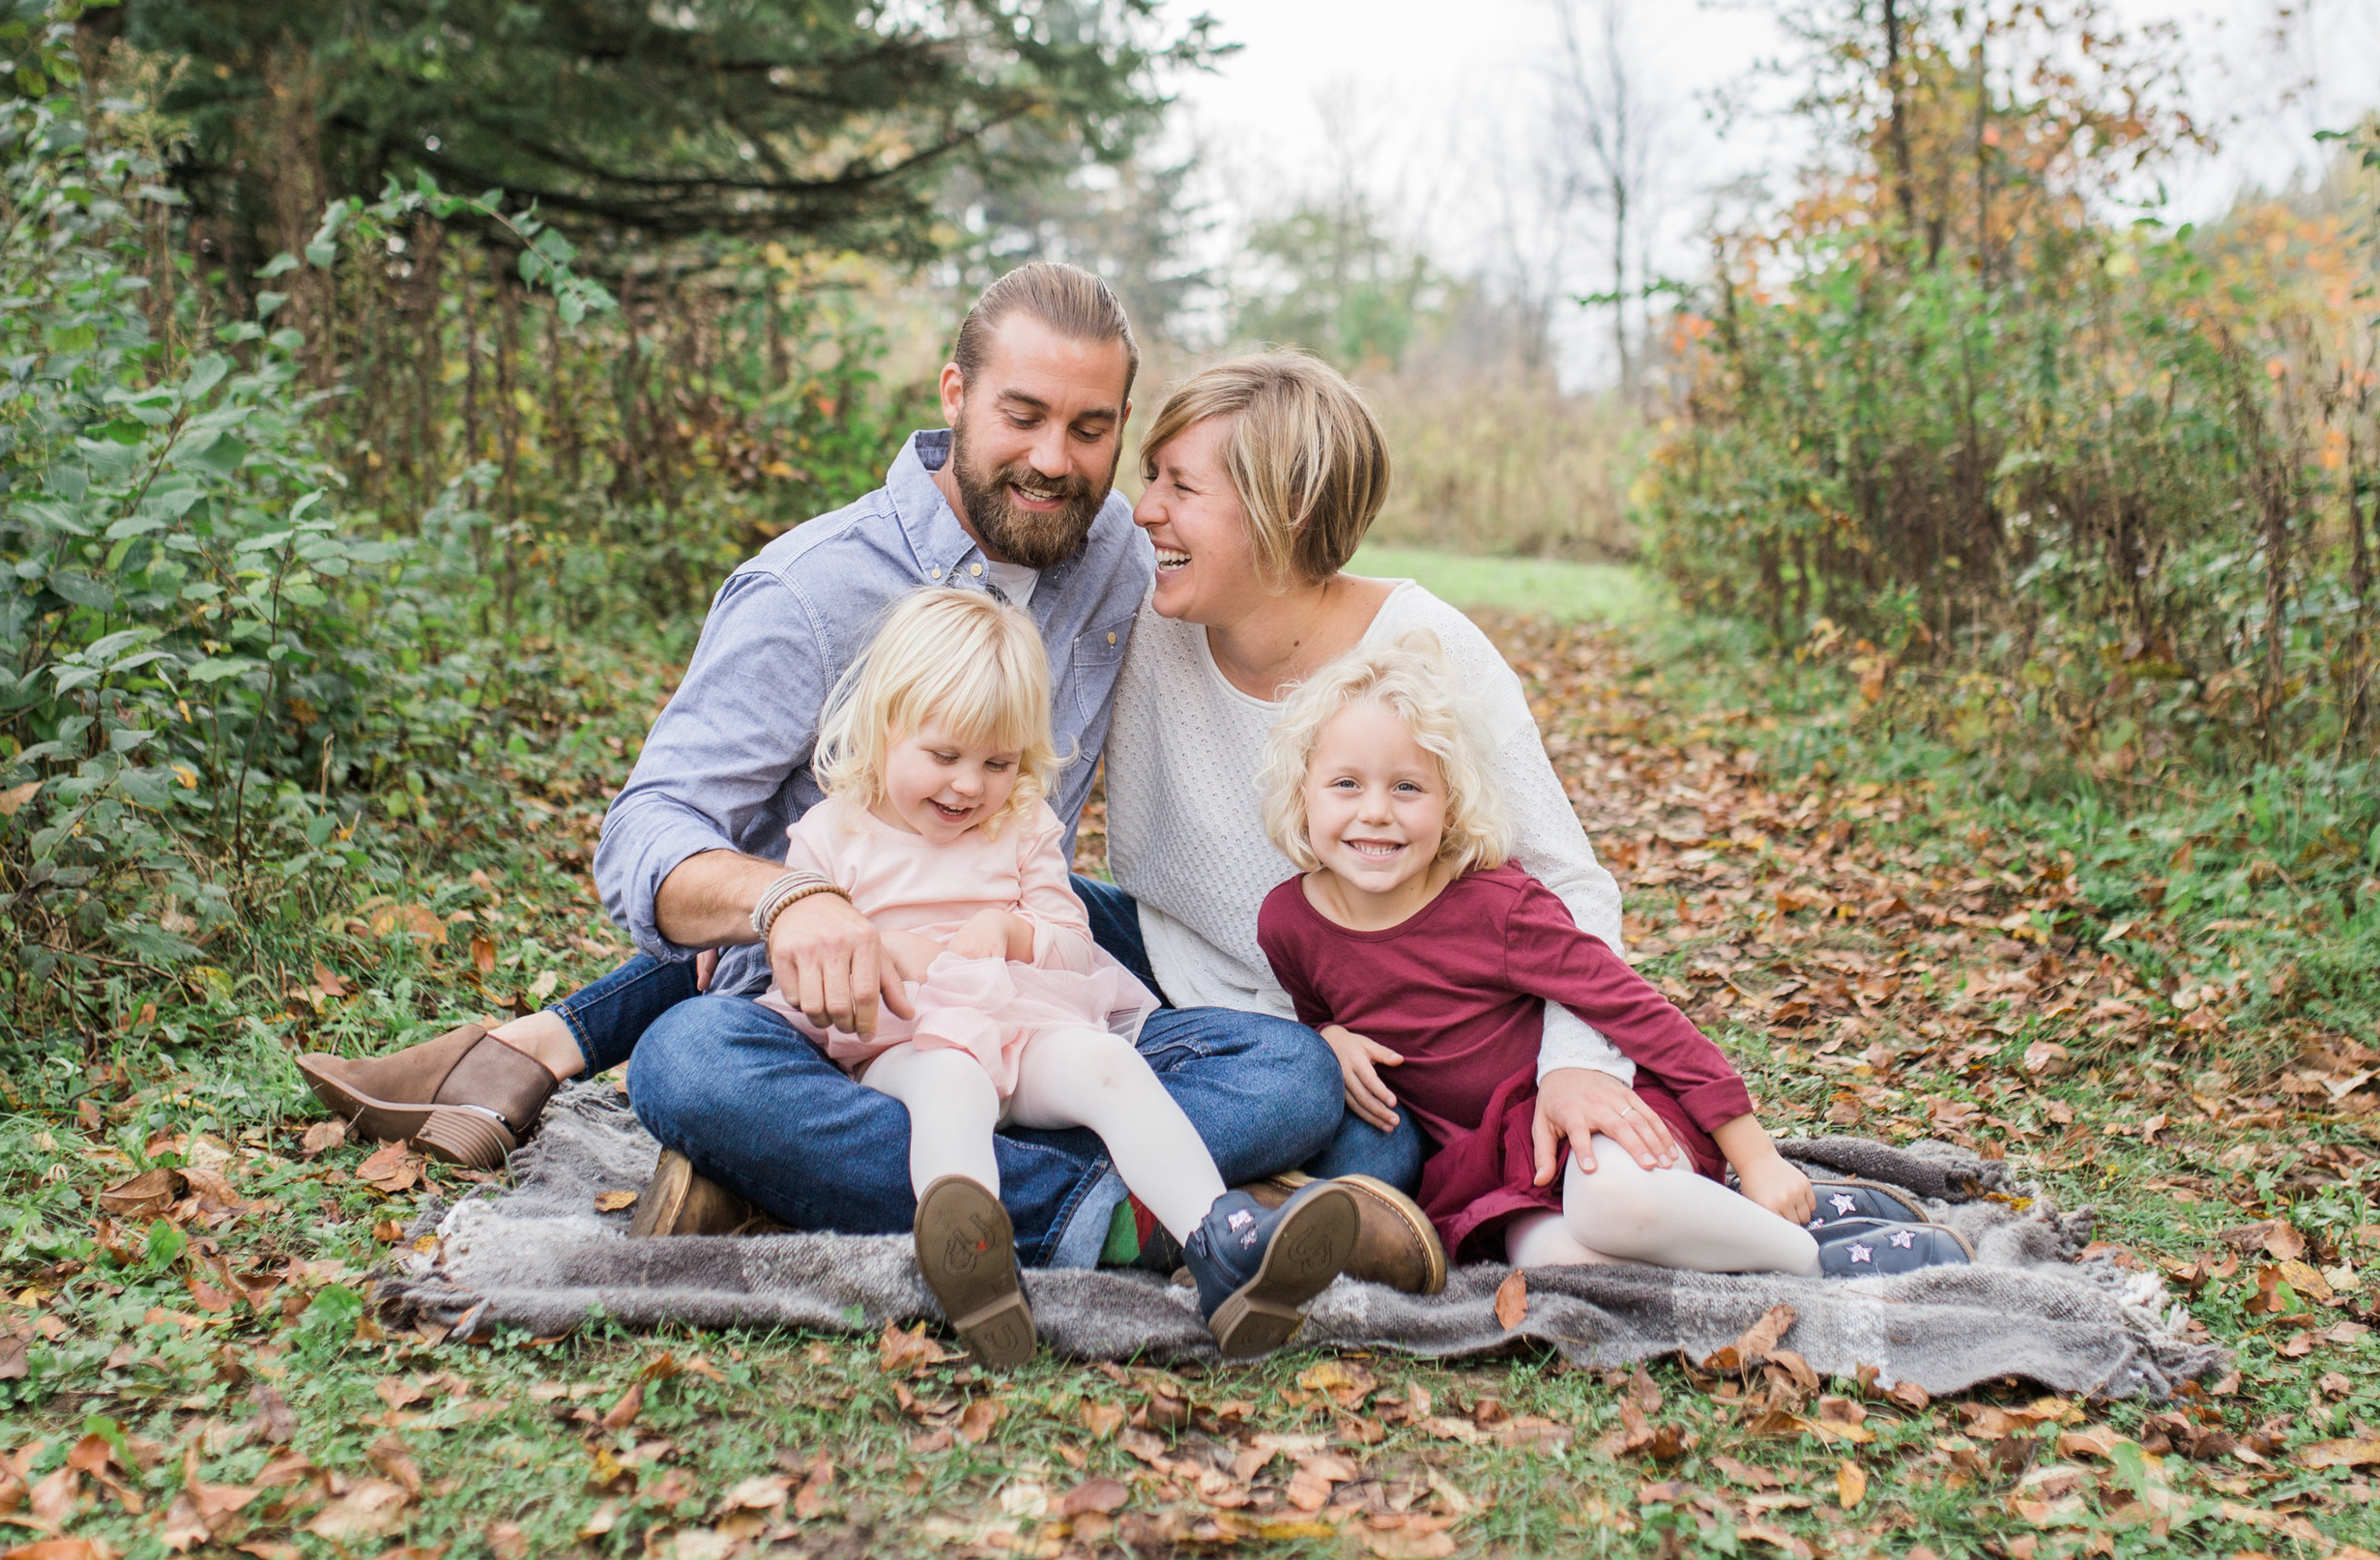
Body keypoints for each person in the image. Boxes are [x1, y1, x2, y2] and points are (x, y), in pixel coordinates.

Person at [300, 262, 1355, 1275]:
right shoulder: (810, 591)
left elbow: (1275, 583)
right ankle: (1137, 1214)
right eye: (1022, 415)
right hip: (834, 1021)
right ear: (955, 392)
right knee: (690, 1066)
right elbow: (647, 831)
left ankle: (794, 1176)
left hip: (1023, 979)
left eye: (1090, 428)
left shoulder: (1122, 559)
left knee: (1293, 1072)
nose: (1052, 458)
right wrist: (792, 898)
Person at [1083, 350, 1698, 1295]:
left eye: (1180, 486)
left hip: (1368, 1037)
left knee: (1375, 1163)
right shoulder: (1142, 614)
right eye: (1148, 479)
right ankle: (1215, 1188)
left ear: (1284, 508)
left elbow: (1567, 882)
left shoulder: (1423, 649)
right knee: (1036, 912)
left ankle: (1125, 1191)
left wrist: (1576, 1065)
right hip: (1181, 975)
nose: (1144, 511)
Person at [763, 585, 1358, 1364]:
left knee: (1109, 1062)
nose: (969, 785)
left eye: (997, 762)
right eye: (943, 756)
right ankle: (977, 1267)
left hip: (1025, 1025)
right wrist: (876, 951)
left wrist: (1011, 930)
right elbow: (810, 972)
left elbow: (1072, 945)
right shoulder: (832, 835)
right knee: (952, 1085)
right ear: (882, 731)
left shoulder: (1020, 825)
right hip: (908, 1042)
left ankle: (1223, 1245)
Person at [1253, 638, 1973, 1275]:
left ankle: (1815, 1256)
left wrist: (1757, 1153)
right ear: (1304, 791)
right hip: (1498, 1162)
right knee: (1548, 1260)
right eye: (1347, 783)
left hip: (1592, 1121)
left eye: (1406, 786)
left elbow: (1639, 1012)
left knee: (1609, 1203)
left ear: (1450, 801)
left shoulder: (1495, 908)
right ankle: (1761, 1227)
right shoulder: (1289, 921)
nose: (1375, 810)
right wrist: (1328, 1039)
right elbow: (1321, 1011)